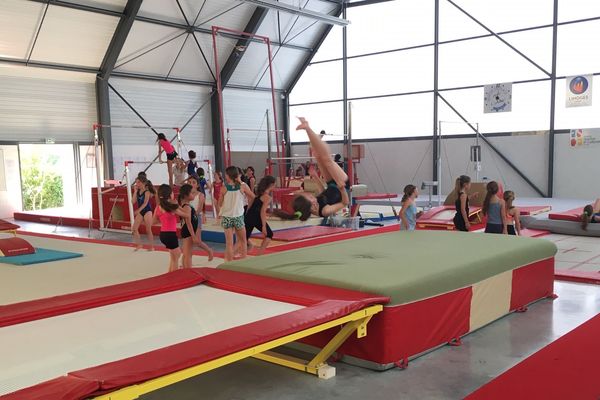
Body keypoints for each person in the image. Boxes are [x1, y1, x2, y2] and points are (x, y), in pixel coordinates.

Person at [275, 118, 349, 220]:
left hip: (331, 184)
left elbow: (324, 192)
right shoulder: (324, 211)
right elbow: (345, 203)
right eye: (310, 198)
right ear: (310, 206)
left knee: (317, 155)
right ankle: (307, 128)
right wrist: (342, 189)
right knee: (327, 160)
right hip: (343, 186)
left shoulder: (314, 205)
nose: (312, 196)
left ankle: (307, 128)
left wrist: (315, 177)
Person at [219, 166, 255, 261]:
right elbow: (253, 196)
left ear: (228, 175)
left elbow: (219, 203)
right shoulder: (243, 186)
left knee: (229, 243)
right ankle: (243, 261)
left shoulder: (224, 188)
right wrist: (244, 201)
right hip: (238, 216)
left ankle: (229, 263)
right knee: (243, 241)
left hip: (227, 217)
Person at [153, 184, 188, 272]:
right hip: (170, 235)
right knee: (177, 255)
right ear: (169, 195)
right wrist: (177, 205)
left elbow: (153, 222)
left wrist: (164, 219)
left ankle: (169, 273)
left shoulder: (158, 207)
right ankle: (174, 276)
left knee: (173, 256)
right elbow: (186, 214)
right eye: (172, 193)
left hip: (163, 234)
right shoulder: (171, 207)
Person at [178, 184, 213, 268]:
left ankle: (185, 269)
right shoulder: (187, 207)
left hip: (187, 231)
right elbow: (188, 222)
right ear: (186, 195)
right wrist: (193, 235)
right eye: (192, 193)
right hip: (188, 232)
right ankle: (188, 271)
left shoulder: (186, 205)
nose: (194, 195)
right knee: (188, 254)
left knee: (186, 253)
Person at [245, 176, 275, 255]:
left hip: (249, 216)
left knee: (244, 239)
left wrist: (245, 216)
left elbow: (250, 206)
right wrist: (263, 226)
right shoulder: (267, 197)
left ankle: (231, 255)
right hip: (256, 217)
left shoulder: (258, 195)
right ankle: (260, 254)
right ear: (271, 185)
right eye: (274, 185)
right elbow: (262, 211)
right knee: (269, 234)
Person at [131, 177, 155, 251]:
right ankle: (139, 244)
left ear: (143, 183)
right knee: (134, 229)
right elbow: (132, 202)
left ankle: (151, 246)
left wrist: (138, 210)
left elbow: (145, 203)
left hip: (147, 211)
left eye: (138, 182)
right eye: (136, 182)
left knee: (148, 229)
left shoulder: (147, 192)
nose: (136, 184)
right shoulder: (137, 192)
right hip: (141, 211)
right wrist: (135, 191)